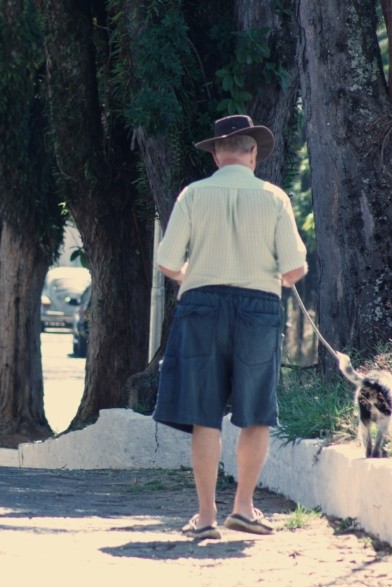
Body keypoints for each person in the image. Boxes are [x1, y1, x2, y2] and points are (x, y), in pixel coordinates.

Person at [153, 115, 308, 541]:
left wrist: (192, 276)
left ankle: (205, 518)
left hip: (201, 305)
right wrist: (273, 279)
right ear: (253, 153)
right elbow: (294, 268)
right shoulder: (274, 198)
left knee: (205, 415)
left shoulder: (192, 195)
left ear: (218, 154)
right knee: (255, 412)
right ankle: (243, 508)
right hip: (258, 307)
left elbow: (167, 261)